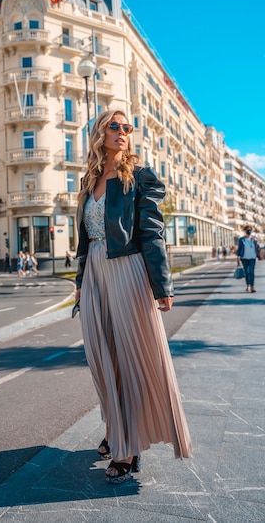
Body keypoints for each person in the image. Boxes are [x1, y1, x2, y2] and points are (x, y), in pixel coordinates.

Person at [74, 109, 192, 484]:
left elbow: (152, 233)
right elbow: (83, 240)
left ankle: (127, 447)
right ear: (99, 133)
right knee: (101, 357)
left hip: (127, 268)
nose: (123, 132)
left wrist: (162, 285)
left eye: (127, 128)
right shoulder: (88, 179)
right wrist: (80, 283)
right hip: (94, 271)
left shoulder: (141, 177)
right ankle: (116, 426)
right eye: (115, 126)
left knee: (130, 358)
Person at [236, 225, 260, 292]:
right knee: (247, 272)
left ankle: (252, 286)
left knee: (251, 272)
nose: (249, 231)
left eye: (250, 230)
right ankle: (248, 285)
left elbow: (258, 247)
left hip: (252, 257)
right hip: (244, 258)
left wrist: (256, 243)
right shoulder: (242, 239)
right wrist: (238, 256)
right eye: (248, 230)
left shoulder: (254, 239)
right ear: (245, 231)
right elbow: (240, 248)